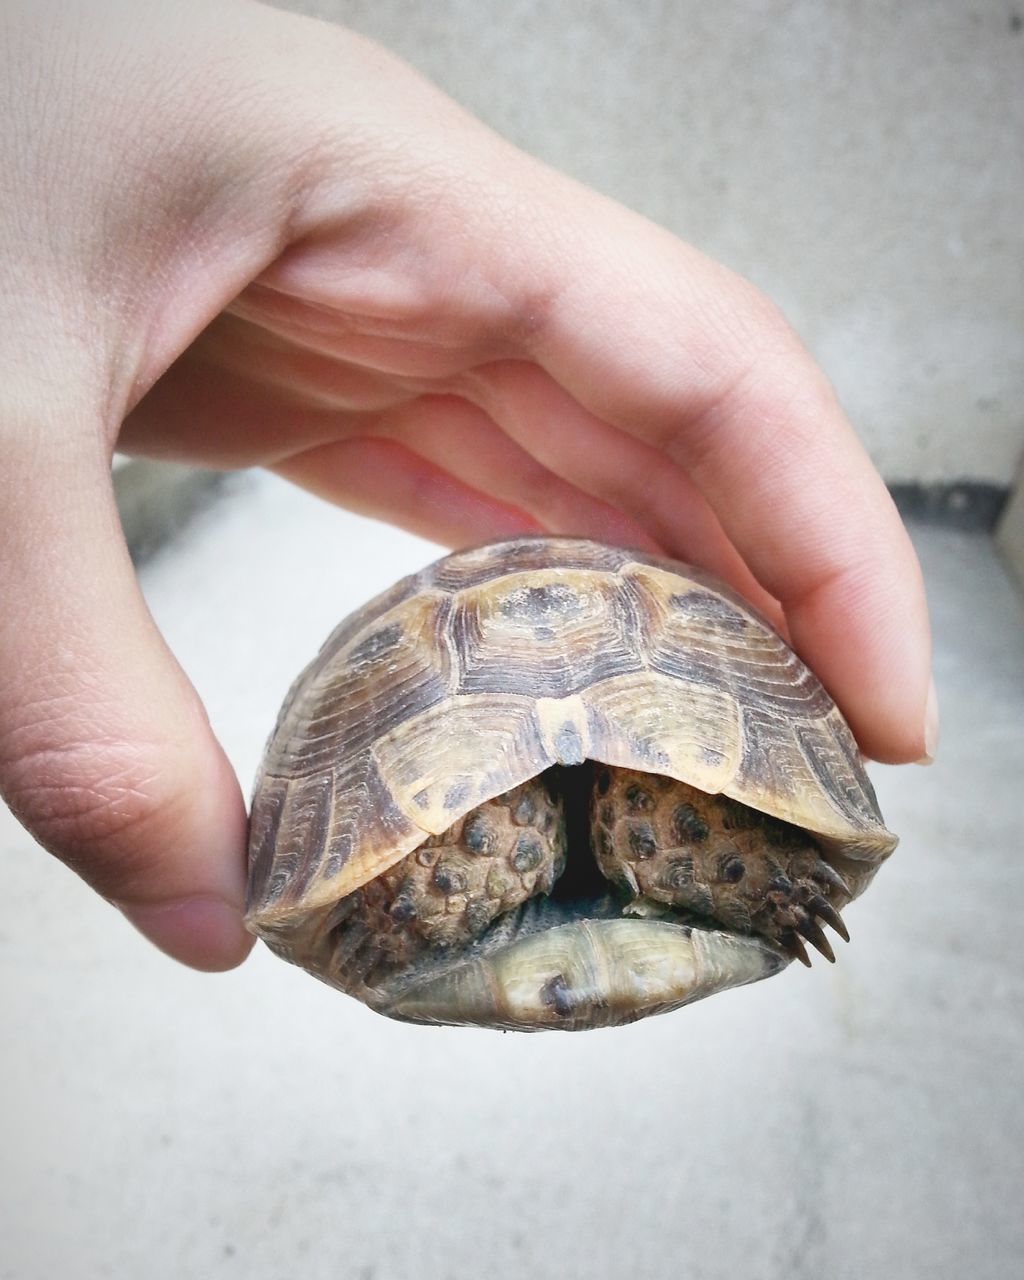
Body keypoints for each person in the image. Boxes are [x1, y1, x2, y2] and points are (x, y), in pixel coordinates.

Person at [0, 0, 935, 973]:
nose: (516, 829)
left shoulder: (649, 815)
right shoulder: (486, 843)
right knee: (484, 860)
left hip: (689, 776)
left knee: (658, 819)